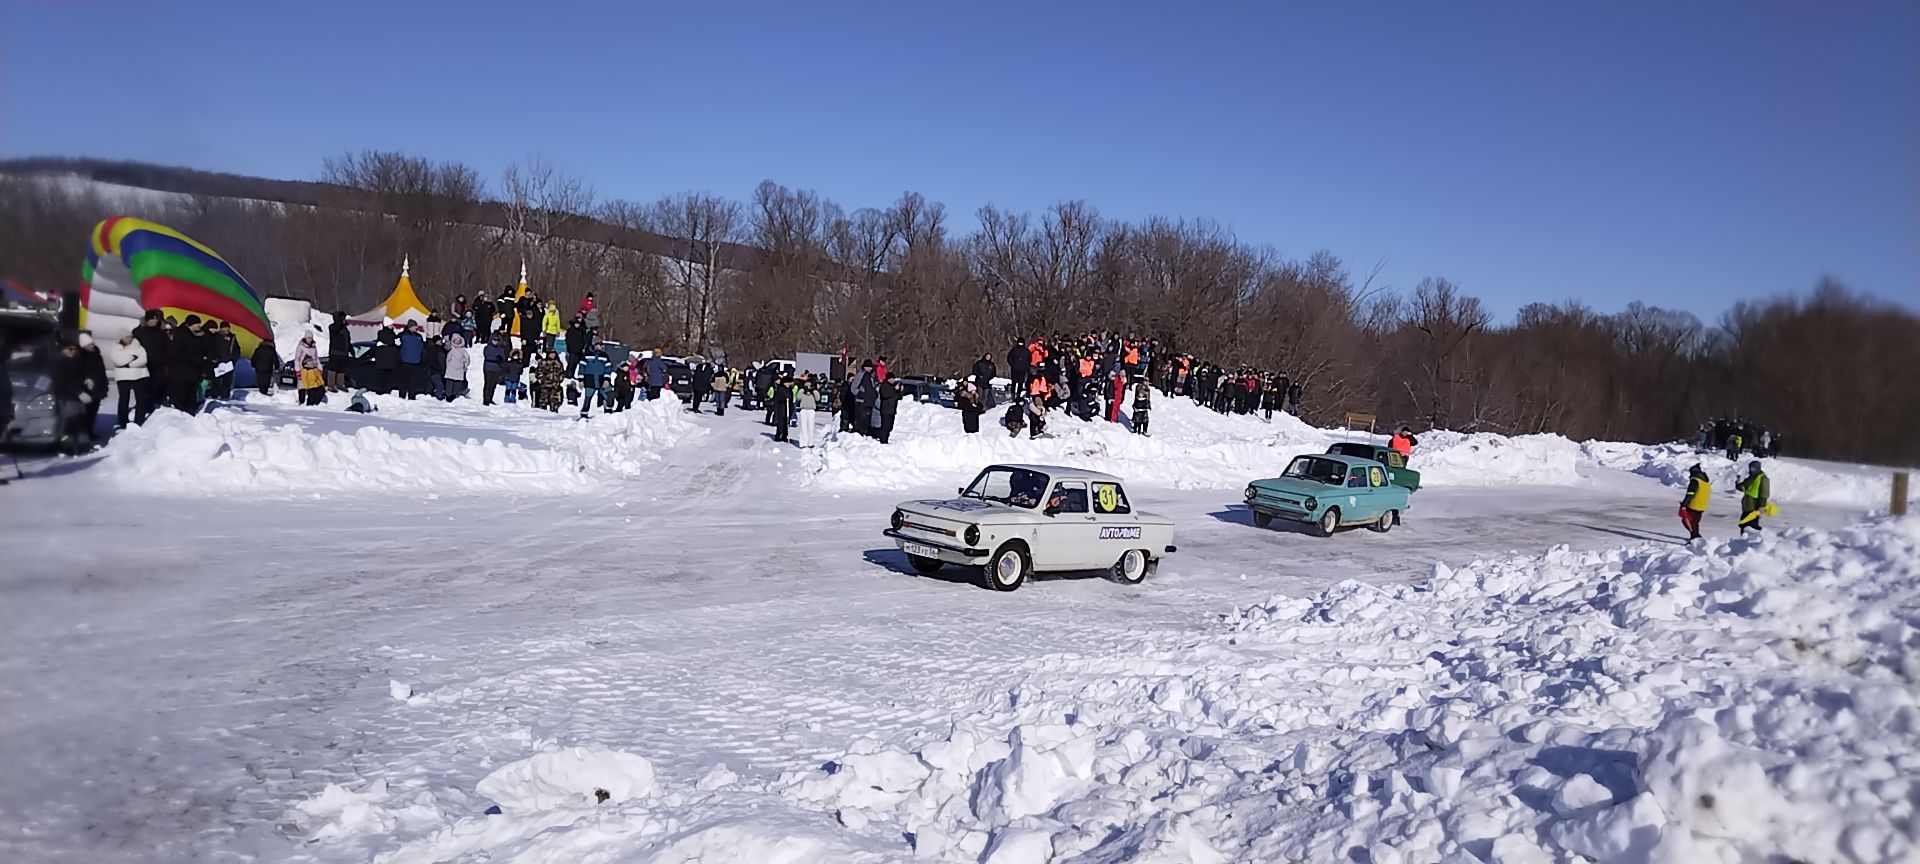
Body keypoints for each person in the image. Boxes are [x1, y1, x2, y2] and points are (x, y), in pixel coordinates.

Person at [51, 341, 95, 454]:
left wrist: (87, 379)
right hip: (67, 397)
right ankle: (66, 446)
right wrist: (79, 392)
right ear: (63, 350)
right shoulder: (58, 363)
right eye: (70, 349)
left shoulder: (76, 361)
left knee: (81, 422)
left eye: (74, 349)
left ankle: (83, 445)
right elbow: (63, 382)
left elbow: (81, 374)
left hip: (78, 397)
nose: (73, 351)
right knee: (68, 424)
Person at [168, 316, 211, 414]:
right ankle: (180, 411)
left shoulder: (200, 335)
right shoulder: (181, 334)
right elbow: (175, 352)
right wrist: (193, 358)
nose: (199, 326)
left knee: (192, 391)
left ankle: (191, 410)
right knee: (182, 391)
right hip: (182, 369)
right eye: (197, 323)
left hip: (195, 369)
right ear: (190, 324)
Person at [107, 332, 149, 430]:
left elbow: (143, 360)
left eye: (130, 337)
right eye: (126, 337)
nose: (129, 339)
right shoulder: (116, 348)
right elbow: (118, 361)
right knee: (124, 399)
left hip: (140, 375)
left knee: (141, 399)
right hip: (123, 377)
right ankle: (123, 421)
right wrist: (133, 357)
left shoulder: (138, 346)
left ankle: (139, 421)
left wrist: (129, 365)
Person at [131, 310, 168, 417]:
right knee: (143, 389)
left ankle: (151, 405)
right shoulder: (139, 332)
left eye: (156, 319)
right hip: (143, 365)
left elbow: (167, 347)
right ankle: (142, 408)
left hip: (158, 365)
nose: (154, 321)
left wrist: (164, 359)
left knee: (155, 386)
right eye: (152, 319)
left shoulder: (161, 333)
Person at [577, 339, 612, 417]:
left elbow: (608, 368)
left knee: (608, 396)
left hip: (601, 380)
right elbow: (581, 368)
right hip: (590, 380)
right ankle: (584, 414)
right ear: (595, 345)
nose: (601, 346)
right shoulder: (586, 354)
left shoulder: (605, 355)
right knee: (588, 398)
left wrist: (607, 379)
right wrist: (581, 380)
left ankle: (608, 413)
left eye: (602, 345)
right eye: (600, 344)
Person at [1678, 463, 1711, 541]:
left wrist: (1684, 505)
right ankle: (1696, 538)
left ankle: (1695, 538)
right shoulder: (1705, 481)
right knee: (1694, 523)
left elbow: (1690, 494)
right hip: (1702, 505)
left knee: (1687, 522)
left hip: (1693, 505)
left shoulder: (1695, 481)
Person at [1738, 461, 1772, 535]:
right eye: (1751, 468)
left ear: (1758, 468)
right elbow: (1744, 487)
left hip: (1754, 506)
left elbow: (1764, 494)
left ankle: (1753, 540)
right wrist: (1739, 485)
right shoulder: (1750, 478)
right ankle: (1742, 541)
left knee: (1751, 525)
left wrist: (1761, 506)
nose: (1751, 470)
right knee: (1743, 524)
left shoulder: (1763, 479)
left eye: (1754, 468)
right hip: (1747, 505)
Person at [397, 325, 426, 399]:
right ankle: (402, 395)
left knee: (413, 380)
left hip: (416, 362)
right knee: (404, 380)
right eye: (414, 326)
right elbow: (397, 345)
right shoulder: (403, 336)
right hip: (405, 361)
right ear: (410, 327)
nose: (416, 328)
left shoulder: (418, 337)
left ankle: (412, 395)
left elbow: (422, 348)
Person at [326, 312, 352, 392]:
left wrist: (351, 349)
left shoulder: (344, 329)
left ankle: (340, 385)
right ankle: (331, 385)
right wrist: (340, 322)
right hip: (335, 352)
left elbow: (347, 340)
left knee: (341, 370)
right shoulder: (333, 327)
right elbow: (336, 328)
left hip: (344, 353)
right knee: (333, 369)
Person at [370, 327, 399, 395]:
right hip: (390, 362)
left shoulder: (380, 341)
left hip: (381, 362)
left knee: (381, 377)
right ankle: (386, 391)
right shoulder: (391, 340)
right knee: (388, 378)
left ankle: (381, 391)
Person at [768, 371, 795, 443]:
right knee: (781, 422)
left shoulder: (789, 390)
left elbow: (791, 398)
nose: (790, 384)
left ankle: (785, 435)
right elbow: (777, 399)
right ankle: (779, 435)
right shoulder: (781, 389)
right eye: (788, 383)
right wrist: (784, 399)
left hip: (787, 408)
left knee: (786, 422)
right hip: (781, 408)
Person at [795, 373, 821, 447]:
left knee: (810, 427)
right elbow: (798, 398)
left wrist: (813, 391)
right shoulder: (802, 391)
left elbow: (818, 398)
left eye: (810, 385)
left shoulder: (814, 391)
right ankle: (803, 442)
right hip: (803, 409)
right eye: (807, 385)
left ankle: (810, 442)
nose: (808, 387)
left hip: (811, 410)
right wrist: (803, 390)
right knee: (803, 427)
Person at [443, 334, 470, 401]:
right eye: (456, 340)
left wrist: (465, 365)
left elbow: (467, 359)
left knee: (457, 384)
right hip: (450, 370)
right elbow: (447, 347)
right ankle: (448, 396)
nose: (457, 342)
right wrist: (447, 341)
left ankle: (454, 396)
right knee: (449, 384)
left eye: (459, 340)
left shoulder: (463, 350)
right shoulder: (451, 349)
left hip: (459, 370)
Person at [482, 335, 506, 405]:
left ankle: (490, 398)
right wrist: (495, 358)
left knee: (493, 384)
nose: (496, 342)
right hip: (488, 368)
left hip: (497, 368)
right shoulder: (487, 348)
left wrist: (501, 359)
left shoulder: (501, 349)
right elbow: (487, 356)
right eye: (494, 340)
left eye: (497, 340)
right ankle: (486, 399)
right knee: (488, 384)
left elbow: (503, 357)